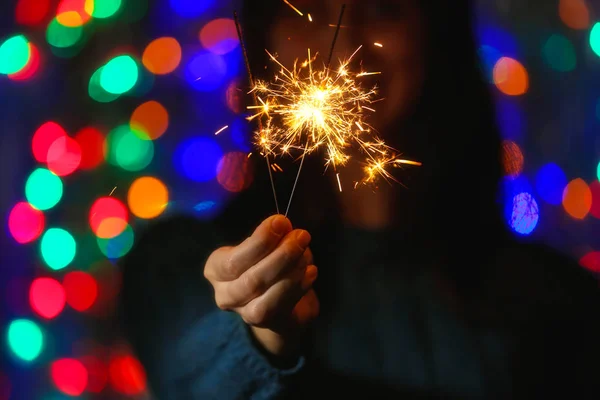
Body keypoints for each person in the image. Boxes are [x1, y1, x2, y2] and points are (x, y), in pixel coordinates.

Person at [120, 1, 600, 398]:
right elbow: (186, 375)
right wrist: (259, 334)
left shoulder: (550, 298)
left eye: (383, 8)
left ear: (433, 34)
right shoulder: (179, 263)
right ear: (265, 37)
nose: (346, 46)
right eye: (307, 7)